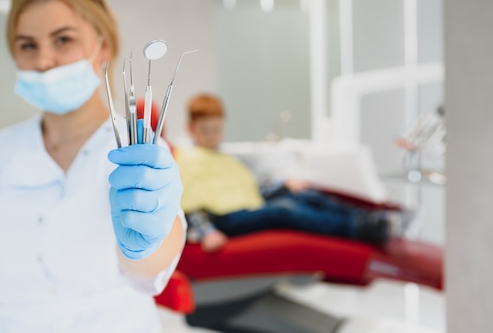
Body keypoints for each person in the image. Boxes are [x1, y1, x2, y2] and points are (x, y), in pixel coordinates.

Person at [0, 0, 185, 333]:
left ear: (102, 47)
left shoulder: (135, 150)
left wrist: (146, 246)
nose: (44, 60)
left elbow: (149, 271)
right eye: (27, 45)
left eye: (63, 40)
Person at [174, 93, 411, 253]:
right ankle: (359, 228)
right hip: (227, 220)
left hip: (249, 206)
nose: (212, 136)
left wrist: (284, 184)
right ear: (190, 128)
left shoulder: (224, 157)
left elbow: (250, 187)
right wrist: (208, 233)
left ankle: (372, 216)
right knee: (283, 210)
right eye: (206, 131)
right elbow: (191, 206)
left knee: (306, 196)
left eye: (217, 130)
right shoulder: (187, 160)